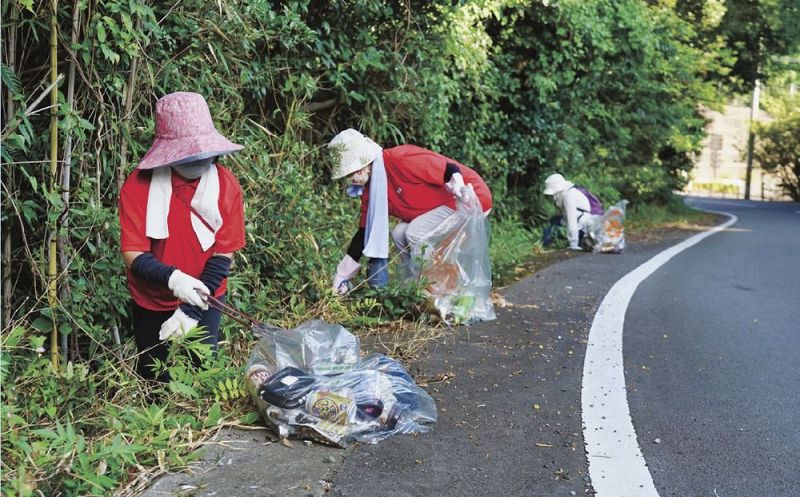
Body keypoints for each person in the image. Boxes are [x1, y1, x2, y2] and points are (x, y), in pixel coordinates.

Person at [118, 91, 246, 381]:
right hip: (152, 298)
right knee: (156, 379)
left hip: (207, 295)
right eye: (190, 154)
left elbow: (224, 252)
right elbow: (132, 253)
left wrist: (191, 309)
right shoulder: (138, 187)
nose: (200, 161)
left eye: (205, 154)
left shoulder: (225, 185)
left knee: (201, 376)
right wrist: (175, 280)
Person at [328, 129, 492, 294]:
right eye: (348, 175)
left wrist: (458, 185)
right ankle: (417, 283)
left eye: (352, 172)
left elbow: (449, 168)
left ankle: (436, 290)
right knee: (399, 233)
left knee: (415, 232)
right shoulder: (372, 189)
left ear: (363, 164)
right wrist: (343, 273)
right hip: (440, 206)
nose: (352, 178)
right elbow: (365, 231)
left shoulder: (400, 159)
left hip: (467, 198)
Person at [542, 173, 602, 251]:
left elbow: (572, 220)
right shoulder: (568, 192)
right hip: (581, 223)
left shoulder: (568, 197)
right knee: (553, 220)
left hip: (582, 228)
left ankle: (547, 246)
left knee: (550, 229)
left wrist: (573, 243)